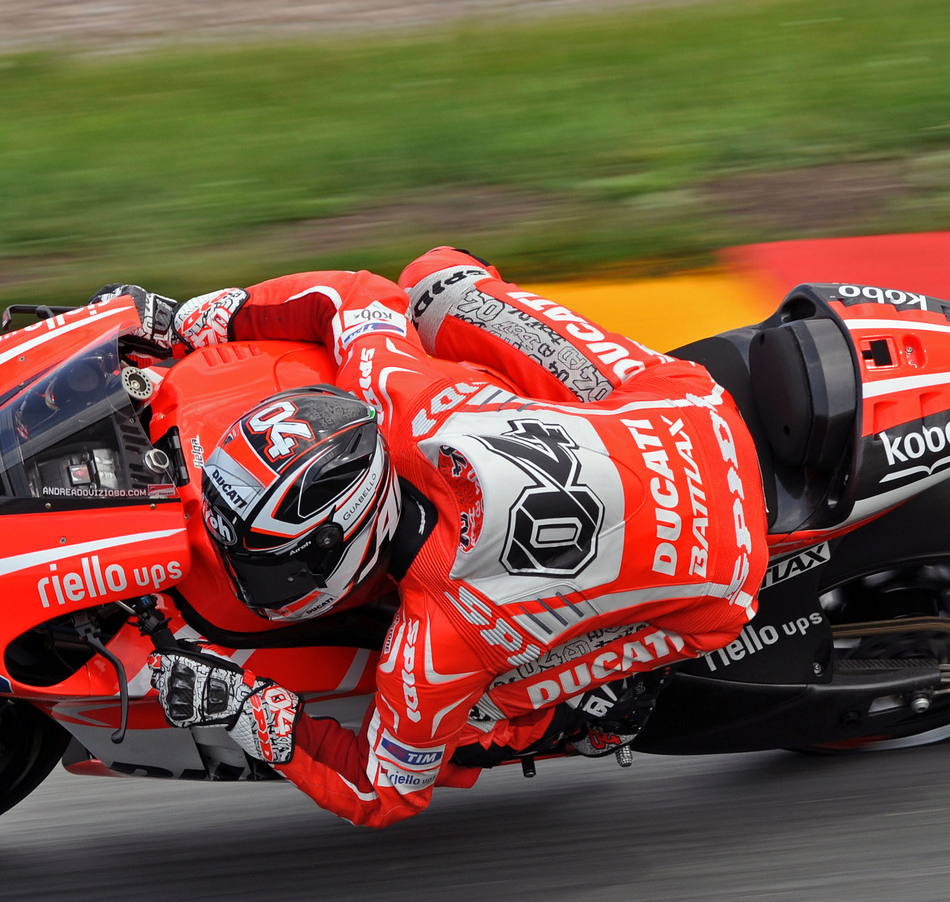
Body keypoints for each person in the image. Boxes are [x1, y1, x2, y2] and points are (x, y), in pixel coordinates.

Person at [110, 248, 768, 827]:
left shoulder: (432, 650)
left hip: (723, 576)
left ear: (345, 551)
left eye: (263, 560)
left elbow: (383, 791)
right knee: (435, 277)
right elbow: (353, 293)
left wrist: (257, 718)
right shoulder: (388, 386)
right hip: (684, 410)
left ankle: (580, 716)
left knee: (489, 712)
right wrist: (207, 317)